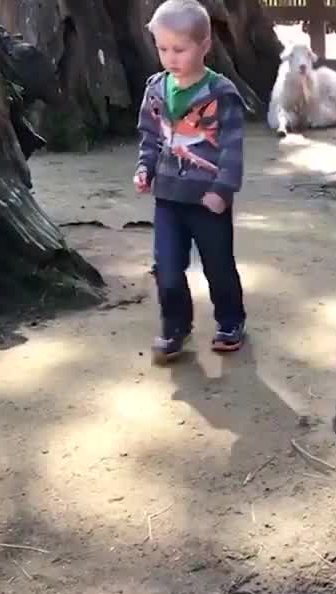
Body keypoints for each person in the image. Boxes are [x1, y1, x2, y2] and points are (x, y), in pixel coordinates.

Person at [134, 0, 248, 364]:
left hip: (208, 200)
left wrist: (222, 190)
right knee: (166, 269)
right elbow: (149, 136)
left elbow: (231, 148)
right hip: (167, 198)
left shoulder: (221, 93)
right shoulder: (155, 88)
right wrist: (144, 168)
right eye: (163, 48)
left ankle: (231, 322)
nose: (170, 57)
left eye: (179, 49)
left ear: (205, 45)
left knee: (218, 265)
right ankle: (175, 327)